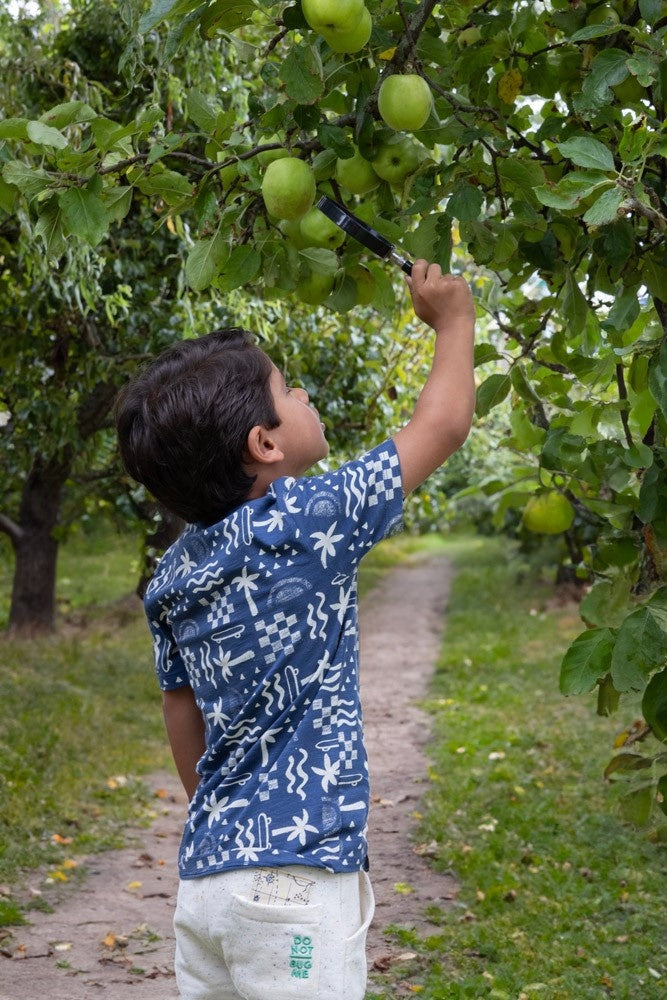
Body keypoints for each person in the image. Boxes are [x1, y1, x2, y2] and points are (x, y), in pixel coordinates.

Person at [114, 260, 475, 1000]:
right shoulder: (311, 520)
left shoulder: (172, 577)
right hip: (298, 886)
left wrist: (227, 825)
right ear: (264, 445)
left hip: (207, 885)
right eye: (288, 389)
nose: (303, 393)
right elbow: (441, 425)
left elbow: (179, 710)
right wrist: (453, 320)